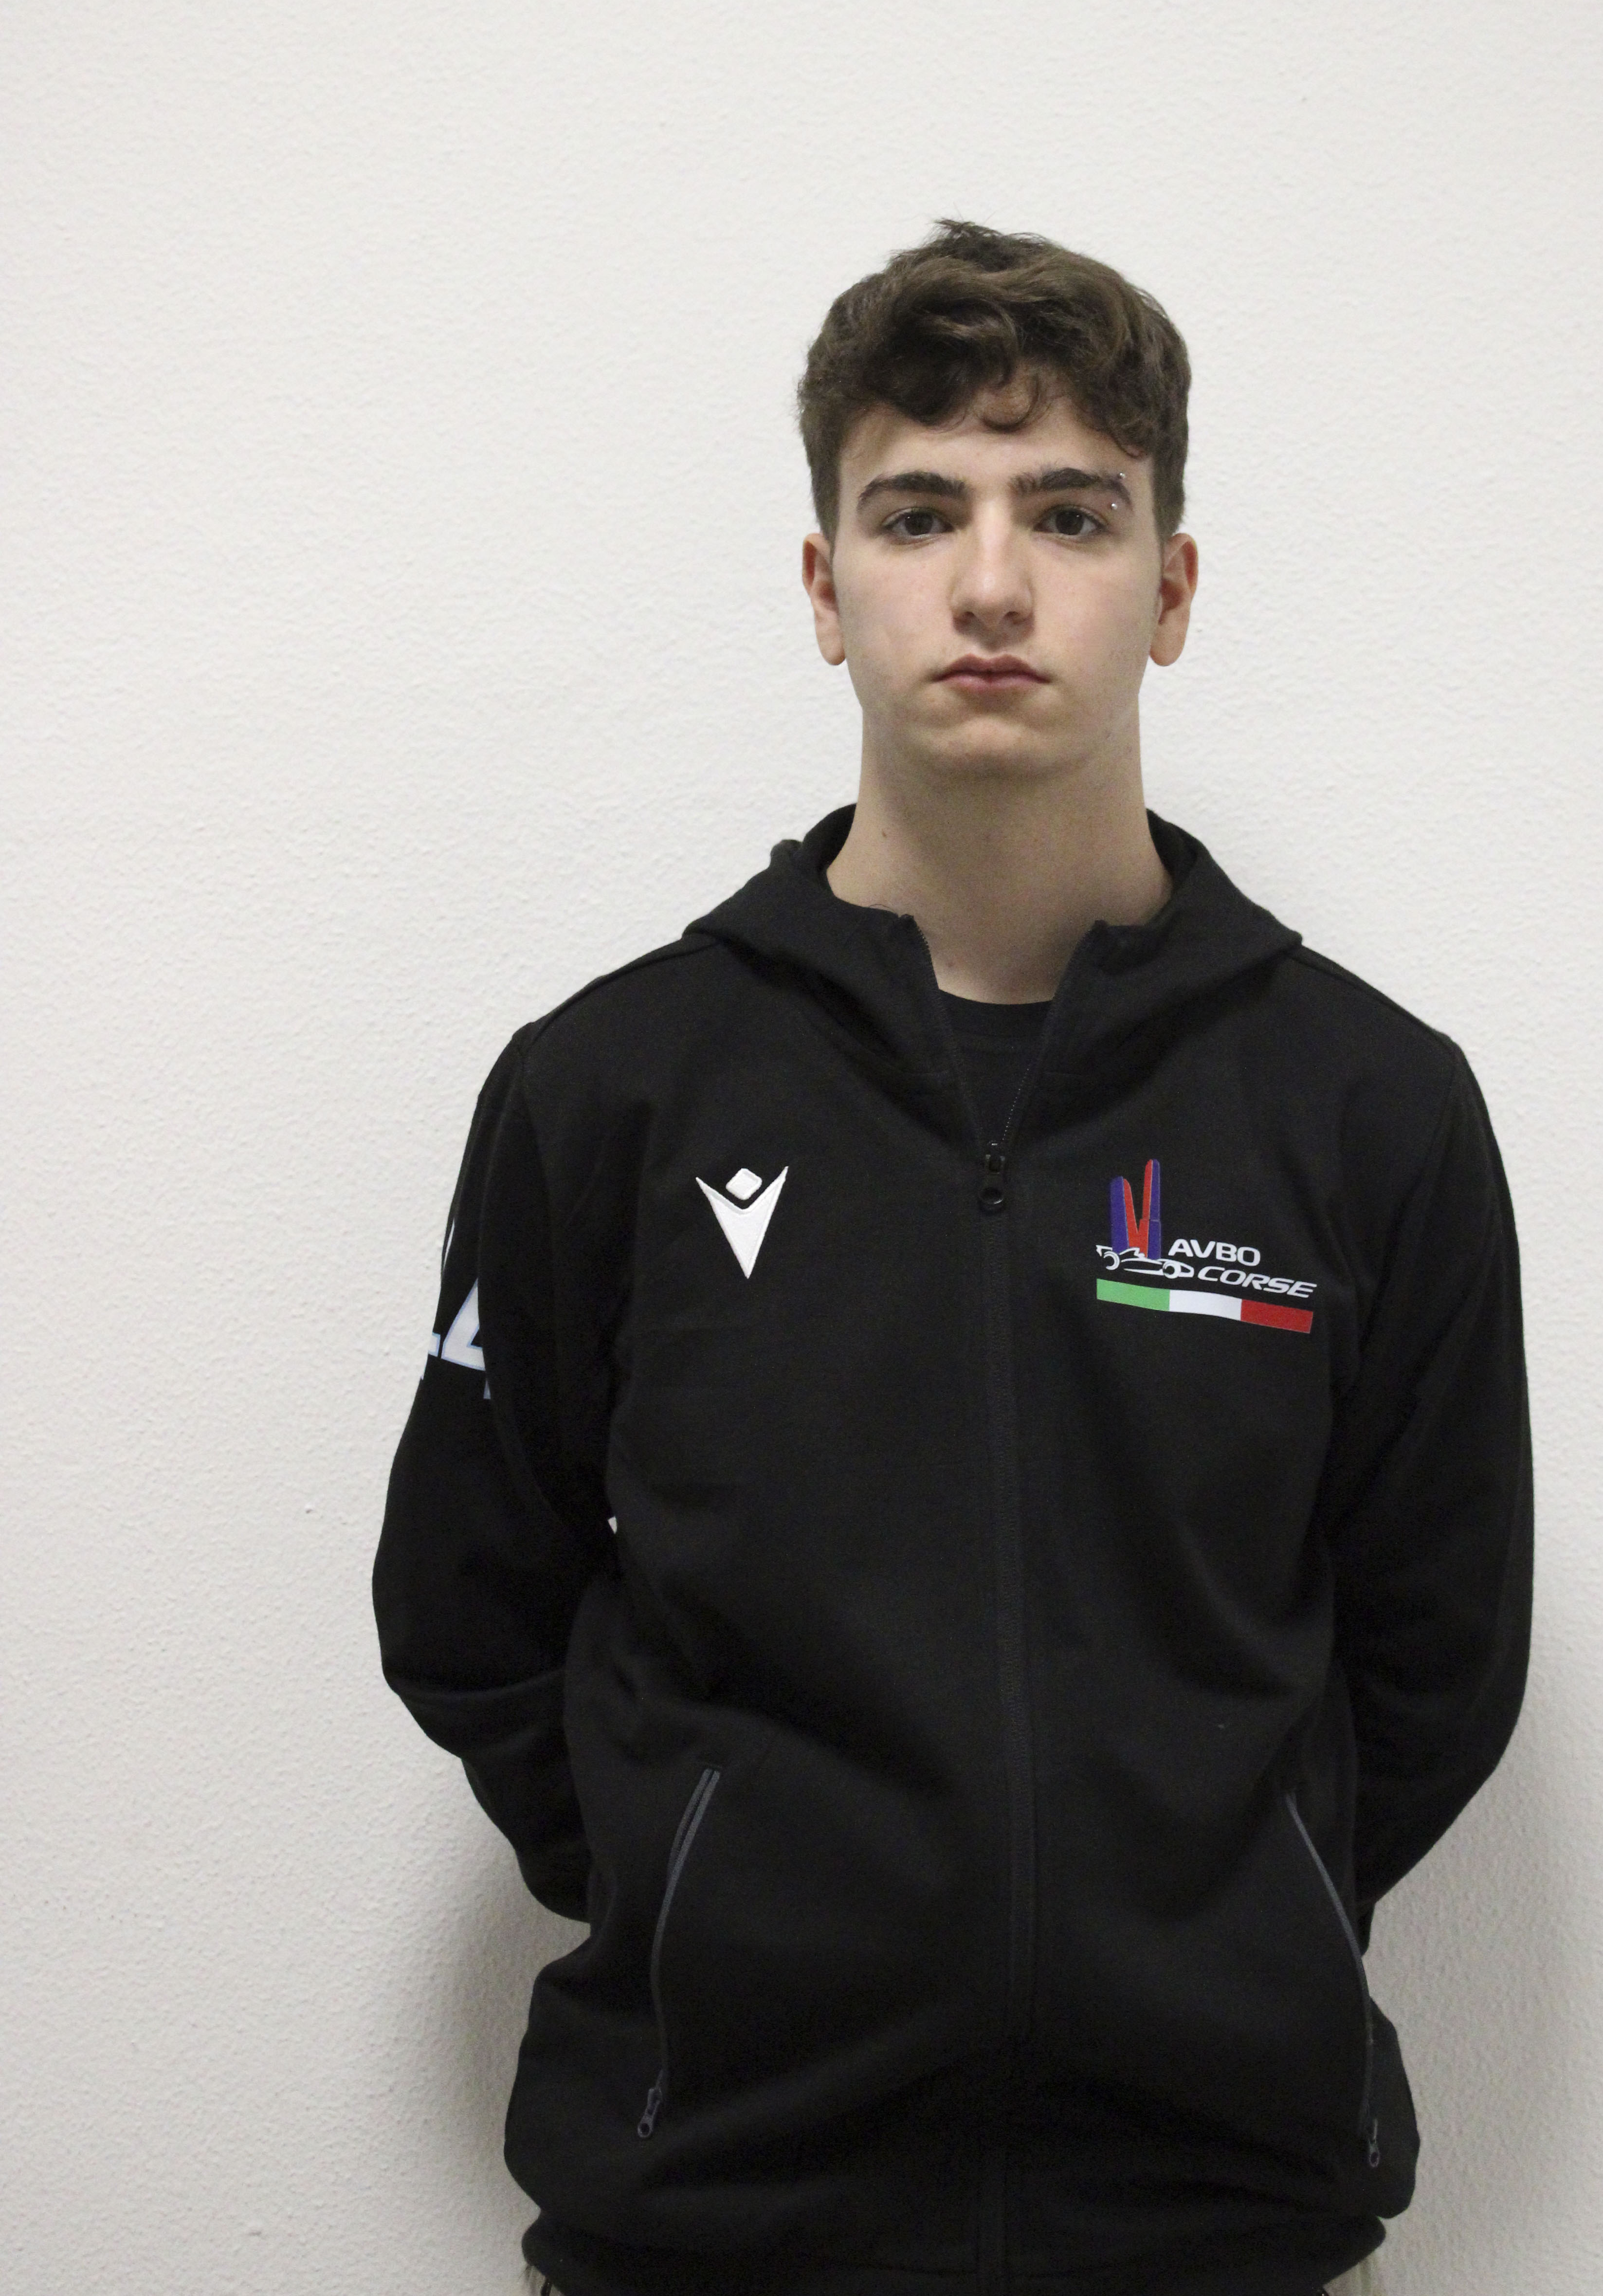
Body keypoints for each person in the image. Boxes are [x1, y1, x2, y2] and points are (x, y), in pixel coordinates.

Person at [373, 220, 1532, 2296]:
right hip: (712, 2225)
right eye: (920, 514)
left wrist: (1216, 1917)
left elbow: (1439, 1655)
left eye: (1069, 514)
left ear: (1171, 590)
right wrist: (705, 1877)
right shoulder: (614, 1088)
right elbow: (469, 1606)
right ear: (827, 589)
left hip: (1216, 2226)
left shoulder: (1367, 1105)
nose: (993, 584)